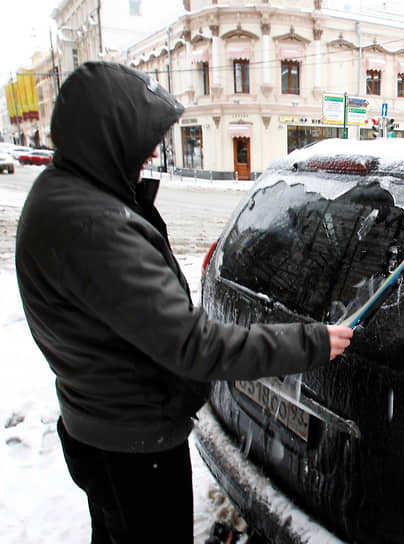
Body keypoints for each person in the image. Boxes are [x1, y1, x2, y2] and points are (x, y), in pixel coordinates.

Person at [15, 61, 353, 543]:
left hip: (98, 421)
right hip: (131, 445)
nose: (154, 150)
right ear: (109, 136)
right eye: (144, 137)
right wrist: (312, 342)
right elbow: (194, 345)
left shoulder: (64, 195)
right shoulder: (95, 227)